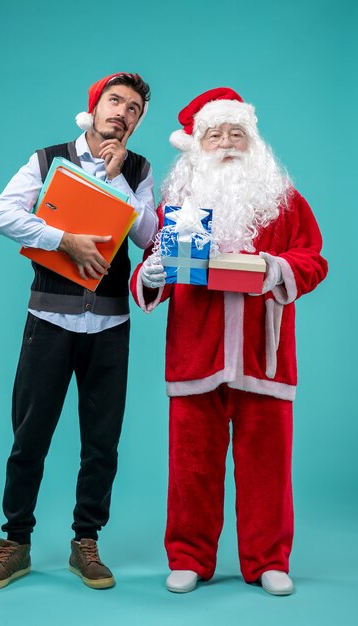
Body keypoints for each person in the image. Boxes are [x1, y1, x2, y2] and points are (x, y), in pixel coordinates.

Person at [130, 87, 328, 595]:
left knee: (267, 466)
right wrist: (151, 272)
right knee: (191, 466)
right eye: (214, 134)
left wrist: (274, 268)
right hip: (197, 353)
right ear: (197, 144)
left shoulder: (283, 200)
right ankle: (191, 557)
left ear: (254, 141)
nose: (226, 143)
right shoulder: (180, 204)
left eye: (236, 133)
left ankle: (268, 560)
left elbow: (313, 258)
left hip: (266, 356)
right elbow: (153, 278)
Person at [0, 72, 157, 592]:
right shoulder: (47, 159)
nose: (122, 113)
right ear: (94, 107)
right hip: (49, 321)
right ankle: (15, 542)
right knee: (29, 435)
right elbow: (0, 215)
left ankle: (86, 542)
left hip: (111, 324)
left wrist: (120, 178)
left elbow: (149, 237)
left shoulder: (139, 169)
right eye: (115, 101)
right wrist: (63, 239)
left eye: (134, 109)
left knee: (102, 441)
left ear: (138, 122)